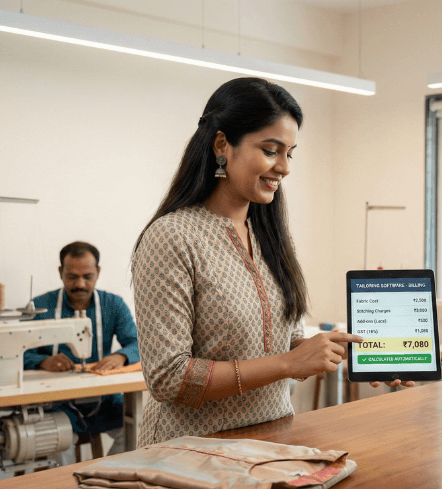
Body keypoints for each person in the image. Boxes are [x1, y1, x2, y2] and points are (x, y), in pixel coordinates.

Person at [131, 77, 363, 447]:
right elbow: (170, 378)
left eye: (290, 153)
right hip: (190, 457)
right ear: (223, 145)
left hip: (272, 445)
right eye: (271, 150)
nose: (285, 167)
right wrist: (289, 364)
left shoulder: (268, 236)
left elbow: (282, 346)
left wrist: (344, 351)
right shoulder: (172, 237)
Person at [23, 241, 139, 456]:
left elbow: (138, 344)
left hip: (103, 399)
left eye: (87, 276)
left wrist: (122, 356)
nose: (81, 284)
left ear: (98, 272)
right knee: (58, 443)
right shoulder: (39, 307)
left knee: (137, 431)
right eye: (72, 277)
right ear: (60, 272)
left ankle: (107, 479)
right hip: (56, 402)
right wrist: (42, 361)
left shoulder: (113, 305)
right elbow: (19, 353)